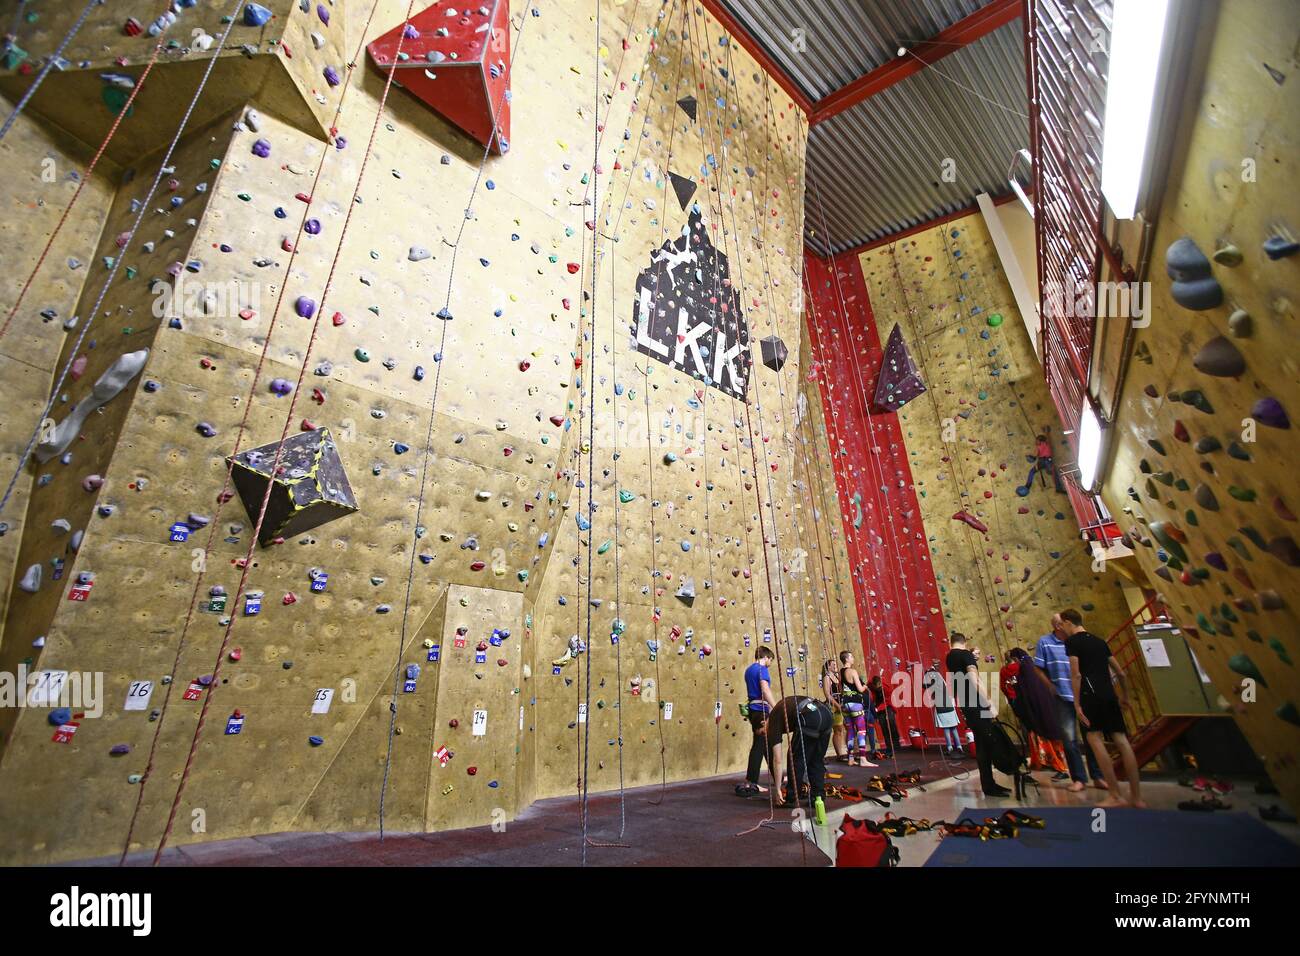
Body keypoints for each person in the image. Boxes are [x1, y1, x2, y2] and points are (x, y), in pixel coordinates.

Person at [1061, 608, 1146, 808]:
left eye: (1063, 624)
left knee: (1094, 739)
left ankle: (1115, 794)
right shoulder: (1100, 642)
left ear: (1068, 622)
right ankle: (1137, 797)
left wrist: (1077, 703)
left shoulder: (1073, 642)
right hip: (1109, 694)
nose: (1062, 628)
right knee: (1122, 742)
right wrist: (1124, 696)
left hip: (1090, 695)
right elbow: (1121, 674)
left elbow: (1077, 674)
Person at [1032, 616, 1106, 792]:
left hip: (1084, 695)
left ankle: (1097, 775)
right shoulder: (1045, 642)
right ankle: (1079, 778)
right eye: (1065, 623)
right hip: (1063, 696)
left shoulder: (1077, 642)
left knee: (1091, 737)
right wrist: (1050, 686)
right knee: (1070, 739)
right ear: (1059, 626)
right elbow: (1038, 667)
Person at [946, 633, 1010, 797]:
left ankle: (988, 784)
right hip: (977, 703)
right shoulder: (965, 654)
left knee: (982, 744)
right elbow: (974, 680)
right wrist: (989, 702)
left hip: (967, 704)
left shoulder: (950, 657)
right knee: (988, 743)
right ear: (965, 642)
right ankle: (997, 779)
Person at [766, 695, 834, 826]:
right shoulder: (783, 707)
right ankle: (817, 796)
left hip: (809, 717)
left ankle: (792, 797)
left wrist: (778, 789)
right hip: (825, 713)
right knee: (816, 760)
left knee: (795, 758)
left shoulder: (773, 721)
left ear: (764, 723)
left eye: (763, 732)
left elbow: (777, 760)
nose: (765, 735)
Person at [736, 646, 779, 798]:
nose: (770, 663)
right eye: (771, 660)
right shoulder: (762, 669)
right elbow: (765, 689)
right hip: (761, 709)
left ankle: (777, 776)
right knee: (759, 744)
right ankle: (751, 781)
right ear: (766, 657)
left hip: (754, 710)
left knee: (766, 745)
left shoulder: (749, 670)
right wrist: (776, 707)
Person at [838, 651, 878, 767]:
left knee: (850, 731)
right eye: (851, 656)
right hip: (855, 703)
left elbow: (842, 689)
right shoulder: (853, 671)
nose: (853, 658)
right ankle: (863, 758)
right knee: (861, 731)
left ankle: (850, 758)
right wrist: (865, 686)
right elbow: (860, 689)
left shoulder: (841, 672)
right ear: (846, 659)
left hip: (845, 703)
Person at [821, 659, 847, 761]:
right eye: (833, 664)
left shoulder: (837, 677)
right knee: (837, 729)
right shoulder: (827, 678)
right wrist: (837, 705)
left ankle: (843, 751)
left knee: (842, 729)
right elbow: (828, 695)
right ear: (828, 667)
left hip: (841, 704)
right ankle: (839, 754)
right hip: (833, 706)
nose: (836, 666)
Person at [869, 673, 900, 755]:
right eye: (877, 687)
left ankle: (896, 744)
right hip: (878, 707)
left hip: (888, 706)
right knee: (883, 726)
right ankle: (888, 746)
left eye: (879, 687)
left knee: (891, 722)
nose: (878, 688)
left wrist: (878, 708)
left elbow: (887, 700)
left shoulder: (886, 688)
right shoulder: (870, 686)